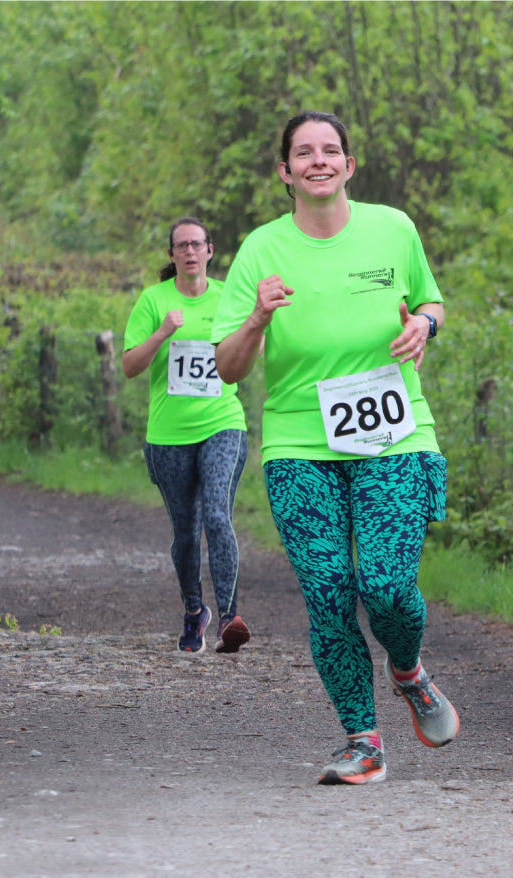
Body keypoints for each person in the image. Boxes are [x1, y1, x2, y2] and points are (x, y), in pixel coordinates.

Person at [211, 111, 457, 785]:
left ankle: (407, 669)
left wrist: (424, 329)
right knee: (326, 591)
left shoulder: (393, 227)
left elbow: (432, 301)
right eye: (303, 153)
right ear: (285, 171)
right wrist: (258, 316)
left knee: (384, 585)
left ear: (349, 165)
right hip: (299, 447)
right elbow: (229, 368)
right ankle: (363, 739)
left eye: (330, 151)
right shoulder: (260, 251)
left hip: (395, 437)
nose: (318, 160)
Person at [122, 218, 251, 655]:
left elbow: (250, 351)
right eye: (182, 246)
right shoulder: (153, 301)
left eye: (198, 244)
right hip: (168, 434)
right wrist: (163, 332)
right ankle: (195, 611)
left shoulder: (228, 299)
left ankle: (230, 618)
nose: (191, 252)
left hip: (222, 422)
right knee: (185, 531)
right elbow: (129, 366)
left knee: (217, 515)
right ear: (172, 255)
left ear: (210, 251)